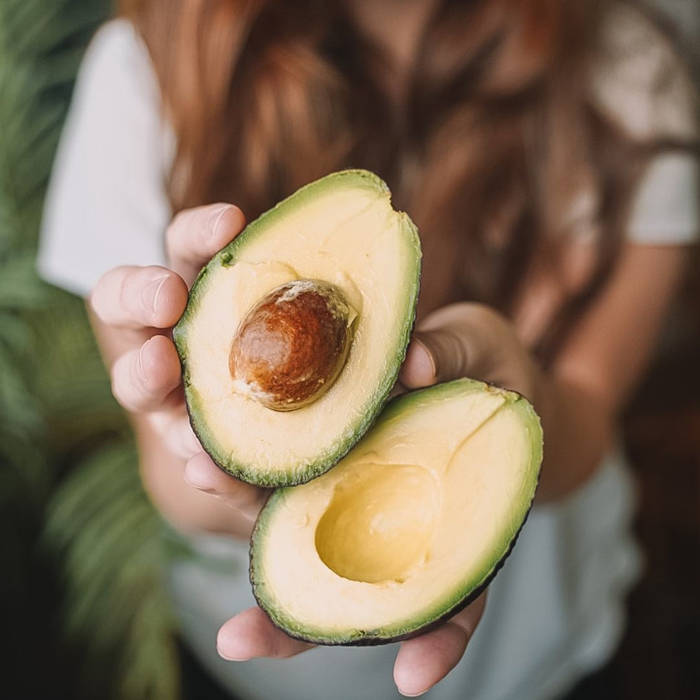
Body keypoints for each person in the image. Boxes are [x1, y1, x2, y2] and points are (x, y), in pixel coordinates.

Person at [38, 0, 698, 698]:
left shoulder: (631, 78)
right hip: (262, 675)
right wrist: (213, 463)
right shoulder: (149, 73)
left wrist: (526, 401)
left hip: (541, 647)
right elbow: (173, 484)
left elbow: (590, 414)